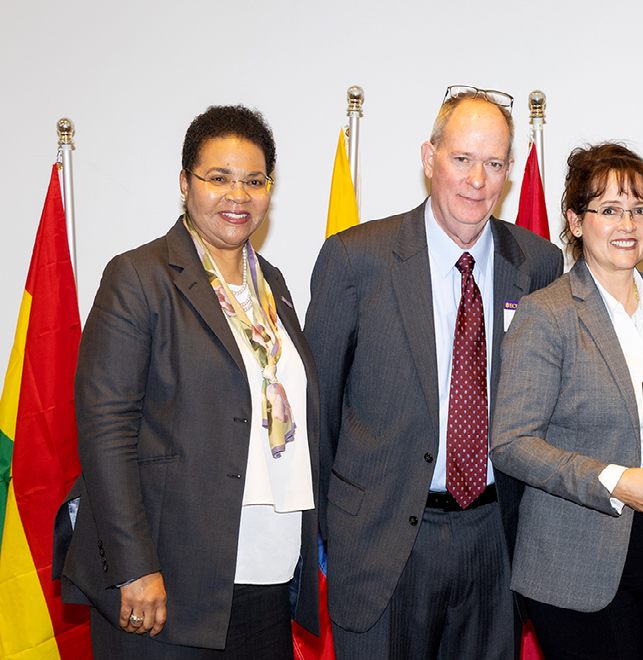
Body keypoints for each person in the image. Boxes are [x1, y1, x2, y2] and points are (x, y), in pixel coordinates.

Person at [305, 86, 563, 659]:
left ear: (509, 172)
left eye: (494, 164)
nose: (477, 179)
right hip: (381, 543)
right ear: (429, 158)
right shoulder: (356, 259)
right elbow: (315, 409)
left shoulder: (539, 264)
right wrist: (330, 535)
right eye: (462, 159)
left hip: (494, 543)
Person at [53, 105, 320, 658]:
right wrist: (134, 568)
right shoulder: (140, 277)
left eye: (253, 180)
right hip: (170, 583)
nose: (237, 195)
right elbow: (106, 432)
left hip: (268, 575)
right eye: (218, 178)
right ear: (184, 183)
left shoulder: (272, 285)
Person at [491, 142, 643, 660]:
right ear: (576, 222)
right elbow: (512, 443)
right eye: (609, 210)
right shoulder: (547, 313)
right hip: (577, 558)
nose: (628, 224)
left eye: (640, 210)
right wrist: (614, 480)